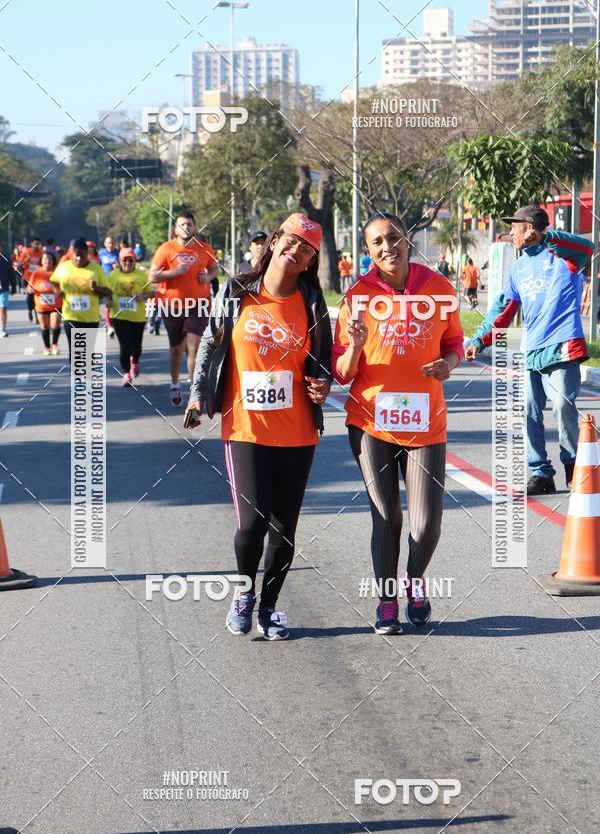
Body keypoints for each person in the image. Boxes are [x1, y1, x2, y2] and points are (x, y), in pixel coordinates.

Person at [185, 213, 333, 640]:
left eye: (307, 249)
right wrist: (198, 395)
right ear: (275, 241)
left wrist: (322, 386)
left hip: (298, 430)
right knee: (252, 524)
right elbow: (212, 345)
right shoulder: (236, 291)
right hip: (245, 428)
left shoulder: (312, 303)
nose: (297, 250)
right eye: (291, 240)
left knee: (285, 527)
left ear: (309, 261)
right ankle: (244, 594)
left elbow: (321, 362)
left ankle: (268, 608)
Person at [332, 211, 464, 635]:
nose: (387, 247)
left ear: (406, 240)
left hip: (426, 421)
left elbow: (455, 342)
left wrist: (450, 363)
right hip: (372, 422)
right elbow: (342, 371)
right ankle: (387, 601)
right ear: (367, 251)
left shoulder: (438, 287)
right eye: (377, 242)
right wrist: (353, 345)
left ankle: (414, 579)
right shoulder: (357, 295)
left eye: (393, 238)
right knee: (387, 518)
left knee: (426, 525)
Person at [465, 204, 594, 495]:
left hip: (562, 343)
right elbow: (502, 310)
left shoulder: (564, 257)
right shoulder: (519, 268)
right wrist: (479, 340)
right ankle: (541, 473)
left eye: (514, 227)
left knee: (563, 406)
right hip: (532, 349)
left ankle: (573, 466)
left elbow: (589, 247)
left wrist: (547, 238)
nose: (510, 233)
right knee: (529, 409)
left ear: (530, 228)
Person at [149, 211, 218, 406]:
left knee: (193, 345)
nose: (186, 227)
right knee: (176, 349)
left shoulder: (204, 249)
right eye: (182, 225)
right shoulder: (166, 249)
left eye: (189, 224)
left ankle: (194, 389)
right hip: (171, 305)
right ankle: (174, 383)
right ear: (175, 229)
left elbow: (214, 268)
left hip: (199, 303)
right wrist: (174, 272)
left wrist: (209, 277)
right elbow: (153, 277)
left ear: (194, 227)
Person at [50, 237, 112, 359]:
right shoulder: (64, 267)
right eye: (75, 255)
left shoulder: (96, 269)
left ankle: (86, 377)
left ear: (87, 254)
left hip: (91, 318)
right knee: (75, 352)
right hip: (70, 316)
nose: (78, 258)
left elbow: (108, 292)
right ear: (72, 254)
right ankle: (79, 378)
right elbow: (53, 280)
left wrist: (97, 289)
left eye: (81, 255)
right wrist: (57, 291)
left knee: (88, 352)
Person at [108, 248, 154, 386]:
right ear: (119, 261)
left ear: (134, 261)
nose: (127, 263)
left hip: (138, 317)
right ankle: (126, 373)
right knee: (125, 345)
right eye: (124, 260)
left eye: (130, 260)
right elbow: (107, 291)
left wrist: (143, 296)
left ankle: (135, 361)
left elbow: (152, 293)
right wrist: (108, 299)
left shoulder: (141, 275)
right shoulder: (113, 275)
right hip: (118, 316)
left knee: (136, 346)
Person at [28, 251, 62, 355]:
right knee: (44, 326)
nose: (47, 261)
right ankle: (47, 347)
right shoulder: (36, 273)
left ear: (53, 261)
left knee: (55, 324)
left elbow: (63, 286)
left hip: (56, 304)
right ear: (41, 261)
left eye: (49, 259)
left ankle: (55, 344)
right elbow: (29, 287)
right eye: (45, 259)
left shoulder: (57, 272)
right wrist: (31, 290)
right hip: (41, 305)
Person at [19, 238, 43, 321]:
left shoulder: (41, 253)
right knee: (30, 296)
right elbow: (18, 264)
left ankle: (37, 315)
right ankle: (30, 310)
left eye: (38, 244)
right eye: (35, 243)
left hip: (38, 279)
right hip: (28, 278)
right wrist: (26, 260)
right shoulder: (27, 252)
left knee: (37, 297)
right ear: (31, 244)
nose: (37, 246)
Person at [0, 245, 17, 337]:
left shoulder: (6, 259)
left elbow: (12, 274)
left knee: (3, 308)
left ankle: (3, 329)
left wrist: (14, 287)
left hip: (3, 288)